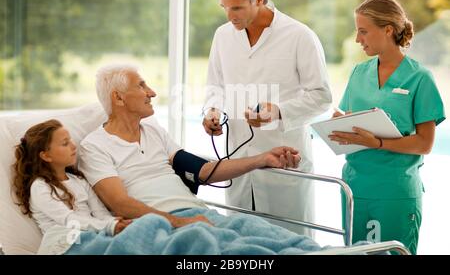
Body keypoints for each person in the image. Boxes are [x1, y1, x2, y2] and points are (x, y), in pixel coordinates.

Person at [78, 64, 301, 230]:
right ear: (118, 98)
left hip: (199, 214)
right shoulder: (94, 146)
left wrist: (262, 159)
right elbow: (120, 204)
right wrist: (182, 223)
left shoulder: (154, 132)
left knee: (262, 232)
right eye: (141, 85)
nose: (152, 92)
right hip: (162, 224)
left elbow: (203, 171)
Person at [202, 0, 332, 235]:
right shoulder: (223, 36)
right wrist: (212, 111)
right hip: (238, 160)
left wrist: (278, 111)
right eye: (224, 6)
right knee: (240, 243)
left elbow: (322, 97)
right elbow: (216, 85)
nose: (229, 16)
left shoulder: (299, 36)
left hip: (284, 163)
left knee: (290, 244)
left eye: (237, 7)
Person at [329, 0, 445, 254]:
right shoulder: (359, 73)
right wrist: (341, 123)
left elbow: (425, 143)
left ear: (388, 30)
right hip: (354, 187)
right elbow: (350, 118)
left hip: (395, 191)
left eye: (363, 31)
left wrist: (378, 142)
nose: (358, 39)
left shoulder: (419, 78)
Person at [12, 119, 132, 255]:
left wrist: (117, 223)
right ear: (45, 155)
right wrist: (109, 226)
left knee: (144, 225)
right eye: (65, 143)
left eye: (70, 140)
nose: (73, 146)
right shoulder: (40, 187)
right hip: (65, 244)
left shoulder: (79, 181)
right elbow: (69, 221)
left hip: (91, 236)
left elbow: (101, 214)